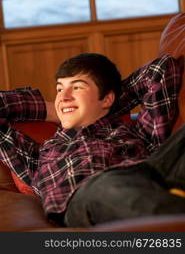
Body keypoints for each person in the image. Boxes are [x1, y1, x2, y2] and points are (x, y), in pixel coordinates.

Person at [0, 52, 184, 227]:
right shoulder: (40, 155)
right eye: (59, 89)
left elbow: (160, 69)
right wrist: (54, 109)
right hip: (86, 195)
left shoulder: (140, 133)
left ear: (107, 99)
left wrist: (102, 105)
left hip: (150, 170)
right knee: (108, 186)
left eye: (77, 87)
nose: (63, 97)